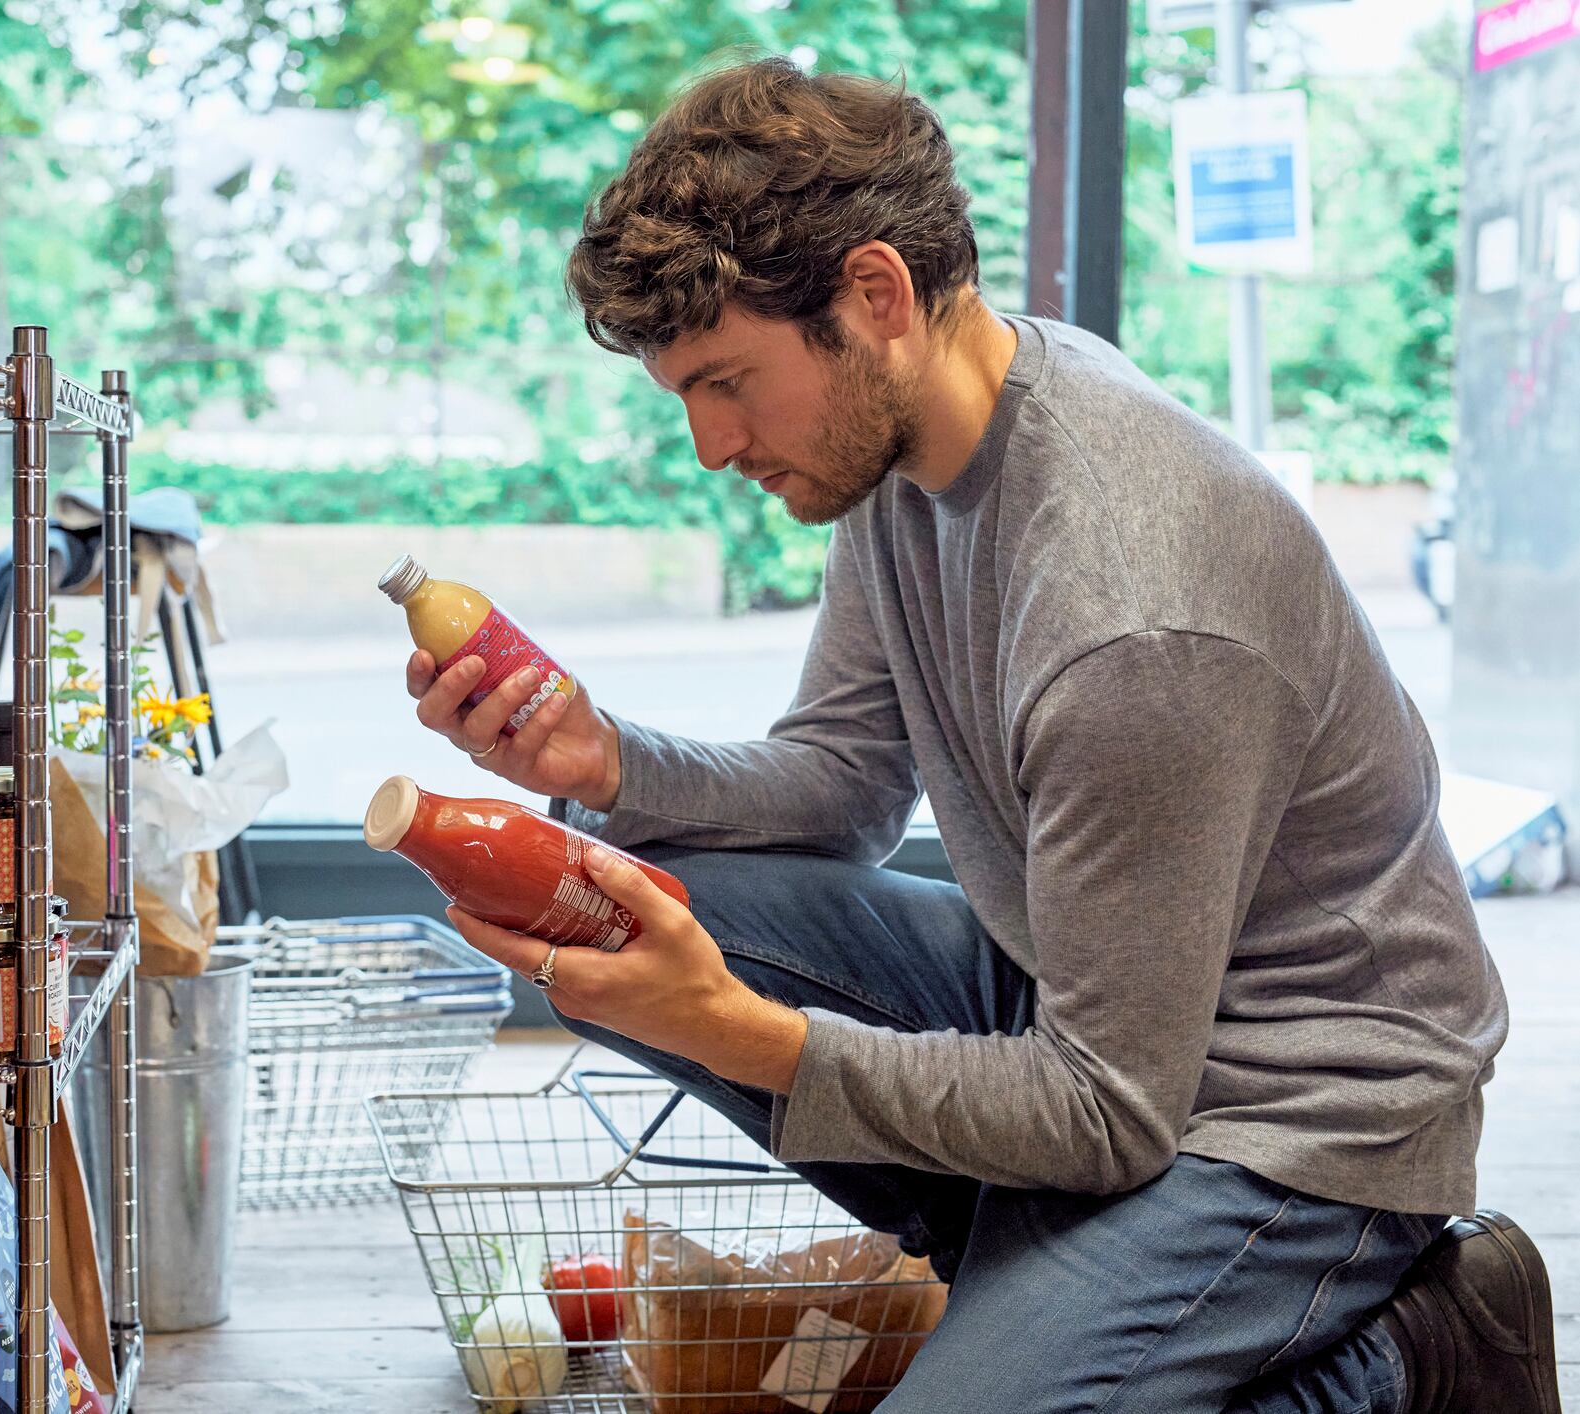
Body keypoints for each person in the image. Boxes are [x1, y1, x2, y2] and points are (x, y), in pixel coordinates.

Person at [404, 57, 1558, 1414]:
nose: (711, 444)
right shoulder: (903, 454)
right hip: (1088, 1010)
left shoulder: (1132, 608)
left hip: (1291, 1127)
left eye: (727, 382)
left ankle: (1413, 1354)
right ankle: (1030, 1271)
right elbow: (841, 793)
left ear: (873, 296)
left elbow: (1108, 1111)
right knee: (627, 911)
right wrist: (605, 764)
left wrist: (741, 1030)